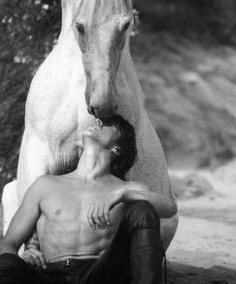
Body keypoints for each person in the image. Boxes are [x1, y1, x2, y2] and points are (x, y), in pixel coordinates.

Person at [0, 115, 177, 284]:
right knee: (7, 262)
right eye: (99, 120)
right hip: (50, 275)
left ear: (118, 147)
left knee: (142, 209)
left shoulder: (127, 189)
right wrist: (24, 255)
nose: (98, 121)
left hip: (104, 275)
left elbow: (169, 208)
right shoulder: (45, 185)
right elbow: (8, 243)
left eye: (108, 124)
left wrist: (122, 194)